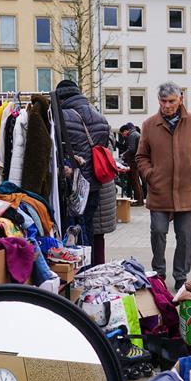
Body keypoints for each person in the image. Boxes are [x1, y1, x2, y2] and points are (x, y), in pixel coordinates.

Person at [136, 81, 191, 291]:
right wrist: (149, 174)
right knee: (158, 232)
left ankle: (181, 275)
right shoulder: (149, 124)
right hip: (159, 191)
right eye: (163, 101)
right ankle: (159, 273)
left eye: (171, 101)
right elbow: (141, 156)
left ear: (180, 98)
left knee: (184, 236)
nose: (167, 105)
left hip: (185, 191)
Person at [56, 79, 114, 265]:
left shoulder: (61, 116)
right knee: (87, 225)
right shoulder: (99, 116)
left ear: (61, 97)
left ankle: (80, 271)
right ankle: (89, 269)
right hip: (94, 184)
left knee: (73, 230)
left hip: (71, 183)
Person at [120, 123, 145, 206]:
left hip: (133, 161)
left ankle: (139, 201)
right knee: (137, 182)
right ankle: (140, 199)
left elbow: (131, 149)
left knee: (135, 181)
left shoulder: (132, 135)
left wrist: (123, 154)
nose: (122, 135)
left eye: (122, 133)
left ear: (126, 131)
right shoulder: (136, 134)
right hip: (138, 160)